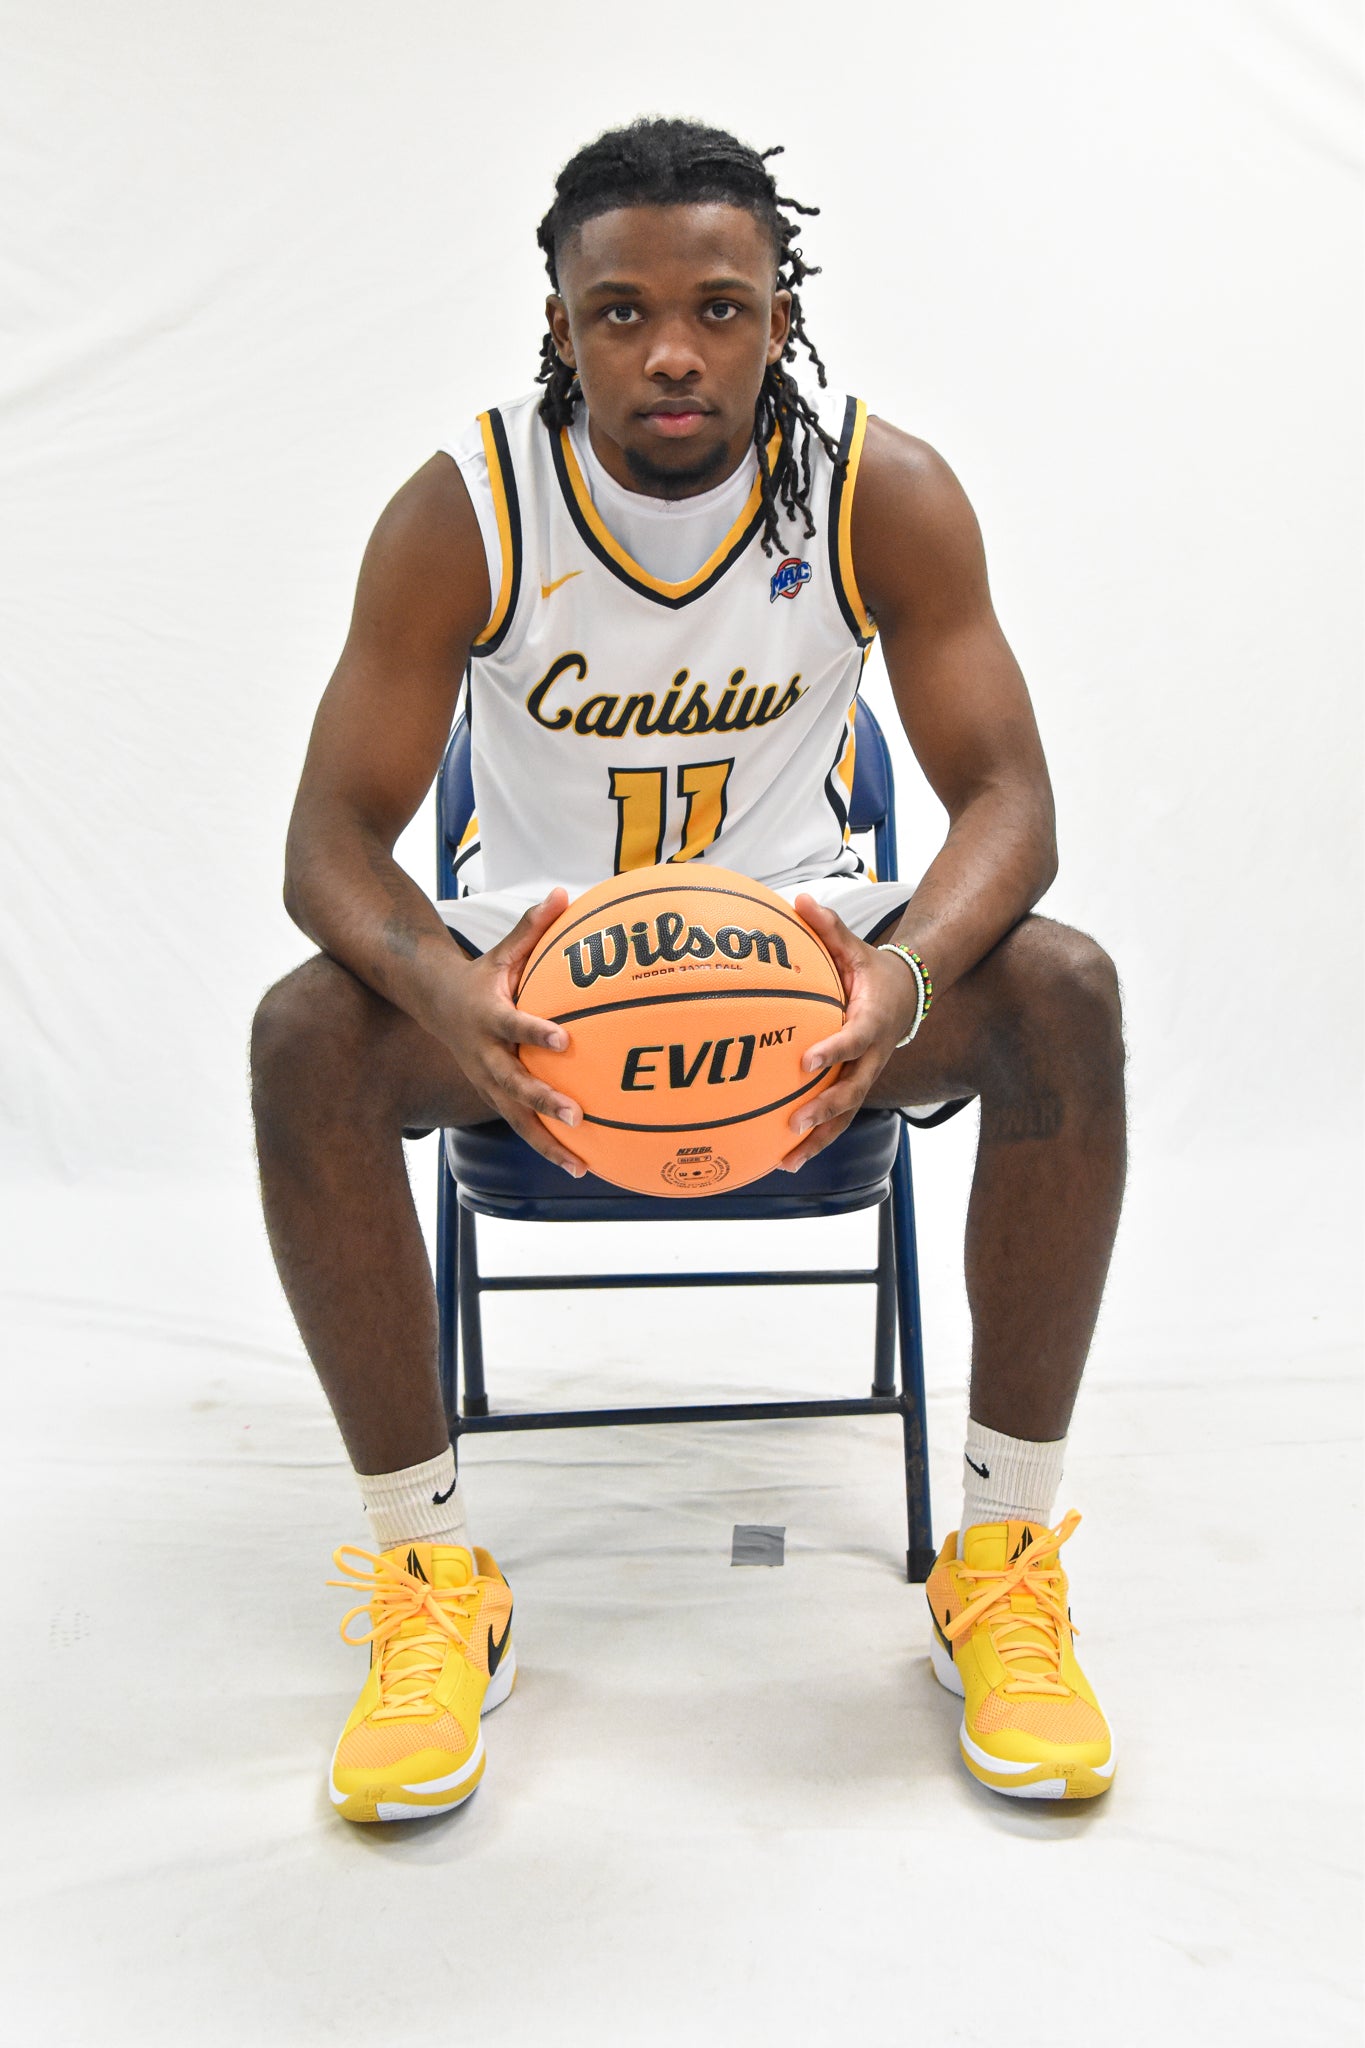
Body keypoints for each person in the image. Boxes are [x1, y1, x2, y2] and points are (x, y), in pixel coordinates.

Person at [251, 119, 1126, 1823]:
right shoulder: (467, 511)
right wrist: (448, 994)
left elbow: (1009, 802)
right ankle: (431, 1580)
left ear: (780, 315)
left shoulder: (878, 492)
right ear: (560, 324)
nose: (672, 350)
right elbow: (327, 844)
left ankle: (1001, 1562)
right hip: (536, 994)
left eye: (719, 309)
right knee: (305, 1039)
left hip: (810, 978)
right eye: (623, 312)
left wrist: (901, 980)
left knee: (1064, 994)